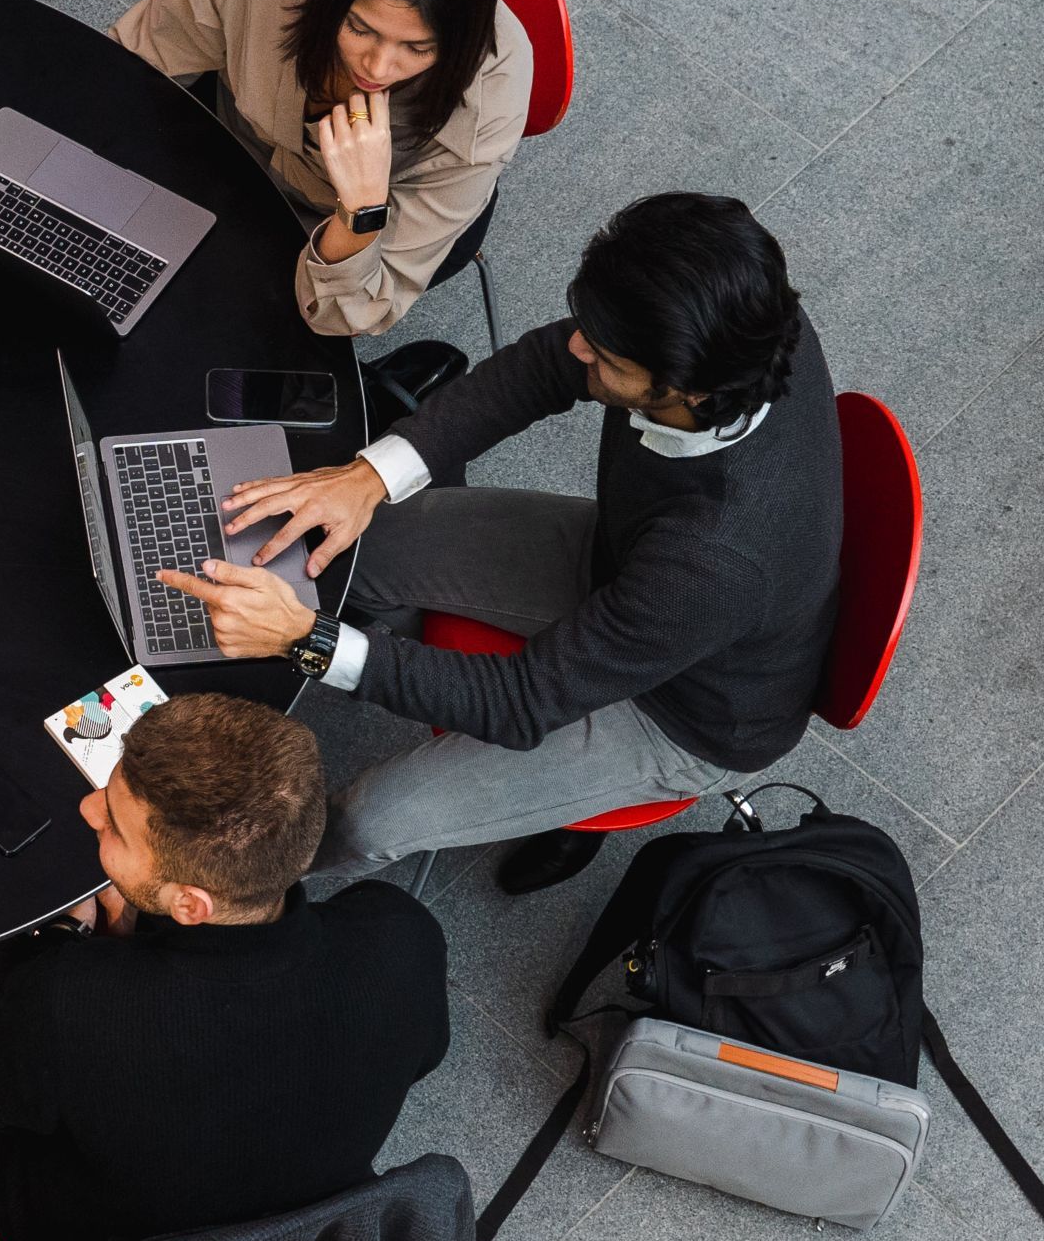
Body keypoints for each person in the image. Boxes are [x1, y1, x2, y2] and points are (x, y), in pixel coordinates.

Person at [165, 193, 841, 895]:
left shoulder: (716, 555)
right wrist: (368, 477)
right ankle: (383, 665)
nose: (578, 345)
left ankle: (245, 889)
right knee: (365, 544)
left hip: (683, 712)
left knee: (371, 821)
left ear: (681, 388)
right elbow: (547, 366)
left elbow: (519, 704)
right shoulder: (752, 321)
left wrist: (310, 640)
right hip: (626, 567)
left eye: (604, 353)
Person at [0, 694, 446, 1241]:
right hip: (291, 1226)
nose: (88, 811)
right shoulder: (404, 936)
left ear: (190, 905)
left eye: (115, 827)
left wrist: (64, 941)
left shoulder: (69, 1000)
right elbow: (425, 1055)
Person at [111, 0, 534, 338]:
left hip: (355, 227)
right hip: (230, 149)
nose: (376, 67)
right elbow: (128, 62)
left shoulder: (489, 101)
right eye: (359, 27)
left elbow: (347, 315)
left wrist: (362, 209)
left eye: (417, 49)